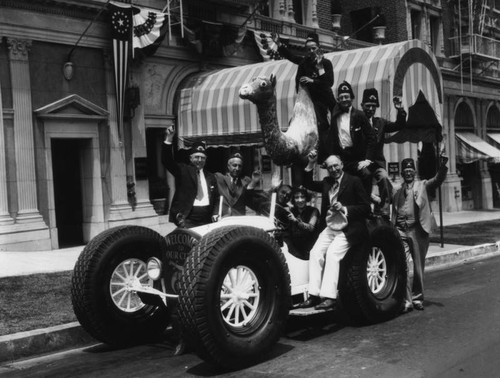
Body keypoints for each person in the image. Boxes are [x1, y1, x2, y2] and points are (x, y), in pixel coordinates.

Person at [299, 154, 371, 310]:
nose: (333, 169)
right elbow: (307, 182)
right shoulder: (326, 182)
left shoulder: (354, 181)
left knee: (332, 254)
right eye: (330, 167)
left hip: (349, 228)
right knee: (315, 252)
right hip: (330, 226)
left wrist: (345, 208)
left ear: (342, 164)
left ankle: (330, 297)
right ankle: (314, 295)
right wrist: (311, 163)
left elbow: (366, 207)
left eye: (336, 165)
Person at [392, 156, 448, 312]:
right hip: (401, 230)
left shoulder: (422, 184)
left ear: (414, 172)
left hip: (418, 231)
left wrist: (443, 167)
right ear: (402, 173)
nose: (408, 173)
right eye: (406, 171)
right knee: (403, 266)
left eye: (410, 171)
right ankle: (407, 301)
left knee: (418, 267)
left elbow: (437, 180)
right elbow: (385, 198)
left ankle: (417, 298)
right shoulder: (397, 188)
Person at [271, 31, 335, 163]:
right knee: (294, 122)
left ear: (319, 49)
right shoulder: (303, 62)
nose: (311, 51)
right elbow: (291, 56)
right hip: (305, 101)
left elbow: (329, 82)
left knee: (321, 123)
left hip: (321, 100)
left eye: (313, 48)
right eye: (308, 49)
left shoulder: (326, 63)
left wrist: (314, 78)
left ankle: (324, 155)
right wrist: (278, 43)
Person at [360, 88, 407, 218]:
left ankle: (384, 210)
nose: (370, 109)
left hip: (377, 164)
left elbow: (399, 125)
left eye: (373, 106)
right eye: (368, 106)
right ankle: (366, 210)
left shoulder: (380, 123)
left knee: (385, 178)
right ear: (362, 105)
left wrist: (400, 110)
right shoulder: (357, 120)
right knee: (363, 183)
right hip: (362, 164)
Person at [325, 81, 377, 196]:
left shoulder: (359, 115)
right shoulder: (335, 114)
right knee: (340, 186)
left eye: (346, 97)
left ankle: (366, 205)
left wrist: (367, 160)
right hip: (342, 159)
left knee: (366, 175)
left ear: (352, 98)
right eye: (341, 97)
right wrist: (321, 69)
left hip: (357, 159)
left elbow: (372, 137)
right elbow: (327, 92)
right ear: (338, 99)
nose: (344, 99)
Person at [161, 127, 219, 228]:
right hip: (187, 219)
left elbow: (216, 197)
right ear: (190, 158)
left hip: (207, 219)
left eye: (202, 158)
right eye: (196, 157)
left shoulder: (210, 176)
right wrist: (169, 138)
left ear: (206, 160)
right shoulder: (183, 170)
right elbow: (167, 161)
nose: (199, 160)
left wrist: (215, 213)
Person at [214, 152, 259, 217]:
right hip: (223, 218)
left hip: (238, 218)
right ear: (228, 166)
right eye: (234, 165)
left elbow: (249, 200)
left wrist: (254, 182)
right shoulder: (219, 178)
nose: (237, 168)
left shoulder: (246, 181)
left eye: (240, 166)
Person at [282, 186, 321, 259]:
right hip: (294, 251)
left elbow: (311, 228)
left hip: (310, 249)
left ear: (306, 198)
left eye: (302, 197)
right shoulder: (291, 211)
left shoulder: (314, 211)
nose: (300, 200)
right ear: (293, 199)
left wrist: (296, 221)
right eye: (296, 197)